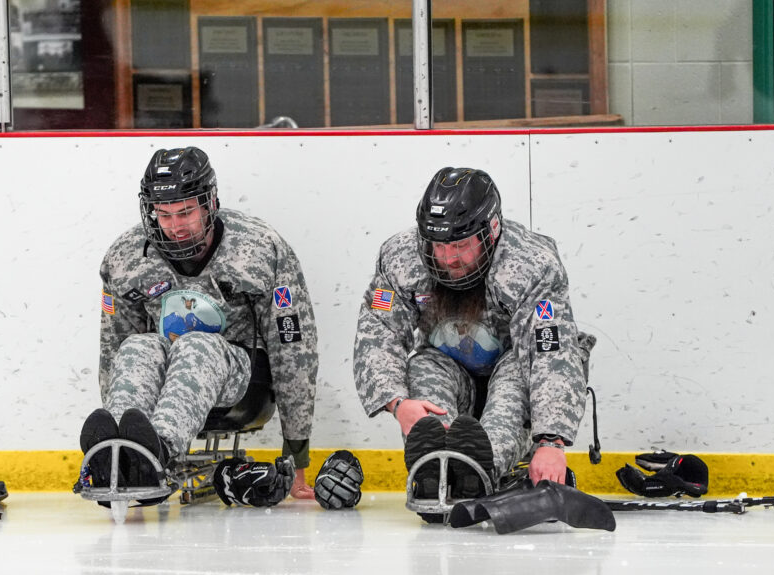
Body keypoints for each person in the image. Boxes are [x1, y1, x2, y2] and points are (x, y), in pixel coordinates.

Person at [80, 146, 319, 501]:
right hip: (167, 378)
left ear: (210, 203)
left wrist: (296, 458)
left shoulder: (258, 248)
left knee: (196, 343)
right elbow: (114, 351)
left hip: (243, 382)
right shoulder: (126, 259)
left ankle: (158, 456)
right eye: (164, 215)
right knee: (138, 346)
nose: (175, 226)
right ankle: (120, 457)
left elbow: (294, 350)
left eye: (186, 212)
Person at [353, 167, 592, 508]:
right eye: (439, 246)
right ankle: (434, 467)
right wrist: (397, 403)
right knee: (423, 364)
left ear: (490, 232)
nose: (449, 258)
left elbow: (550, 349)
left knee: (516, 372)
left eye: (461, 245)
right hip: (450, 372)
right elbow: (379, 329)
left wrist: (551, 442)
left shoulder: (532, 263)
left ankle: (478, 470)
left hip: (513, 370)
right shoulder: (399, 259)